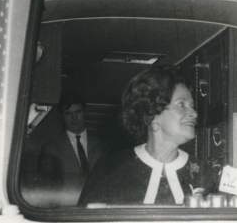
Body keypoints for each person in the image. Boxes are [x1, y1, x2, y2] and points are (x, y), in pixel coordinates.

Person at [79, 65, 203, 205]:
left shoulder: (205, 174)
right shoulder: (110, 170)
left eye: (192, 105)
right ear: (152, 115)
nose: (194, 113)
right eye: (181, 104)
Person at [36, 92, 106, 204]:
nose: (74, 118)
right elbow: (46, 187)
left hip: (96, 206)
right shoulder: (51, 148)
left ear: (85, 113)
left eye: (78, 112)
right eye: (68, 113)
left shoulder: (101, 144)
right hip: (66, 207)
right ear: (62, 117)